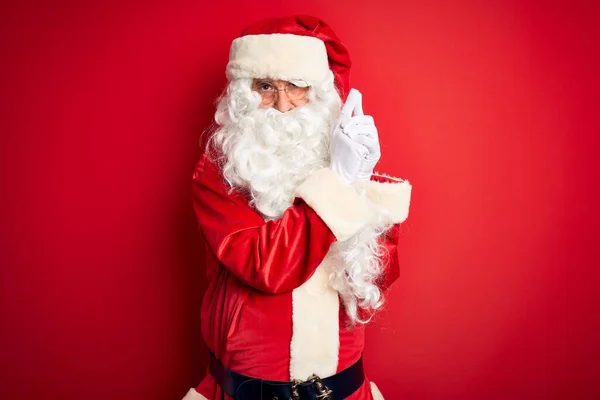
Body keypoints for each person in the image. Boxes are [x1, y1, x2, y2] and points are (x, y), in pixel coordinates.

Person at [183, 15, 411, 400]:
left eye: (298, 86)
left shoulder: (340, 159)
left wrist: (360, 180)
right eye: (266, 86)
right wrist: (337, 184)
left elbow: (377, 280)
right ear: (243, 93)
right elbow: (265, 266)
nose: (283, 105)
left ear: (319, 94)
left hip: (344, 389)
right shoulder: (219, 171)